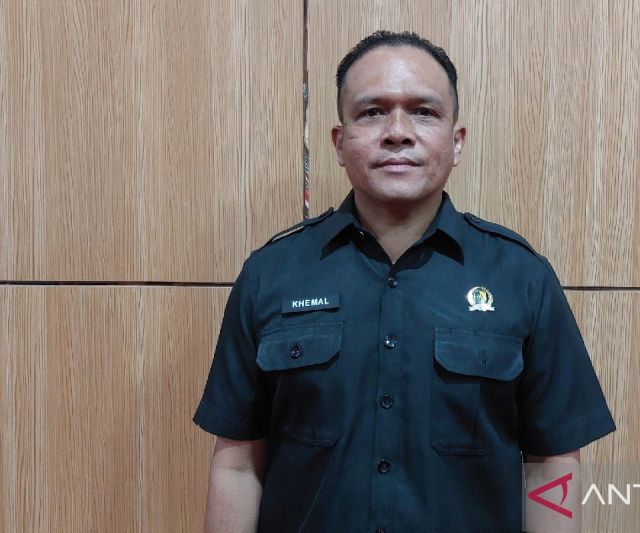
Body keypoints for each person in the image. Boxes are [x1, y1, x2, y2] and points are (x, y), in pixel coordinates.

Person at [194, 30, 616, 532]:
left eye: (424, 112)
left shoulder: (522, 278)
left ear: (456, 142)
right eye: (372, 112)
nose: (398, 132)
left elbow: (551, 463)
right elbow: (237, 466)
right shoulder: (271, 275)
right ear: (339, 142)